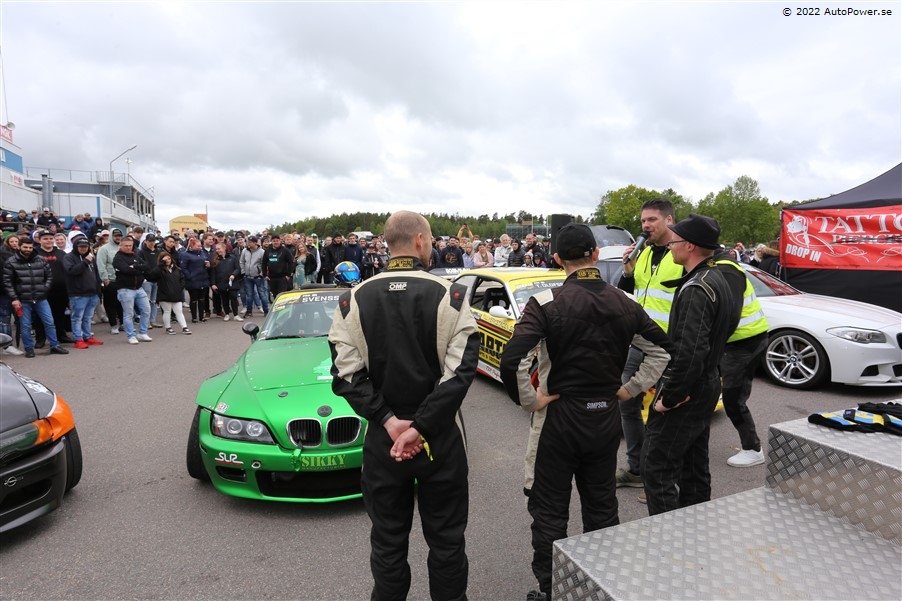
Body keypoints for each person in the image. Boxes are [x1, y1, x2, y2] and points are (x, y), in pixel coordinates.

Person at [499, 223, 672, 601]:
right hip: (604, 419)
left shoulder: (546, 301)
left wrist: (531, 401)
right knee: (602, 508)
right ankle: (600, 588)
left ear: (557, 259)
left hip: (558, 420)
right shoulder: (625, 301)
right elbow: (662, 350)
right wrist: (629, 389)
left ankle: (552, 591)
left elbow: (512, 359)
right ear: (595, 254)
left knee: (549, 511)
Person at [329, 210, 479, 601]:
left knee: (388, 540)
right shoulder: (452, 296)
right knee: (447, 541)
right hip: (440, 438)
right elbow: (460, 373)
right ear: (420, 241)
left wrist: (390, 421)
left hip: (384, 441)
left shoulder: (351, 300)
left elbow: (346, 375)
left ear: (386, 242)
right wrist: (420, 427)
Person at [640, 214, 742, 516]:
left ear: (691, 246)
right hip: (706, 382)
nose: (670, 246)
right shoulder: (717, 278)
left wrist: (670, 397)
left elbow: (690, 351)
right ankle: (695, 528)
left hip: (690, 389)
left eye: (675, 241)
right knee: (694, 465)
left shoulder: (698, 288)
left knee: (656, 466)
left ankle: (668, 536)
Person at [615, 198, 684, 500]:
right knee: (627, 400)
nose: (646, 226)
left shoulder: (681, 253)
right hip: (639, 341)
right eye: (643, 220)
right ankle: (637, 469)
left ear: (669, 220)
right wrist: (628, 271)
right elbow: (629, 293)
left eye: (652, 220)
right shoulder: (642, 252)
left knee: (664, 410)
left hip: (669, 344)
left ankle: (664, 479)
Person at [713, 249, 770, 467]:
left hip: (743, 343)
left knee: (733, 398)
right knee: (715, 390)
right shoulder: (718, 267)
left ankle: (753, 449)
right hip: (738, 342)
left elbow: (730, 314)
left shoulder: (726, 270)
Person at [2, 235, 70, 357]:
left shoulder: (40, 259)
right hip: (23, 300)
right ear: (19, 247)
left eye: (30, 247)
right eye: (25, 247)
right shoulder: (11, 262)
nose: (28, 249)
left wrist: (45, 289)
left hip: (41, 298)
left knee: (49, 322)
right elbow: (7, 282)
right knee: (25, 325)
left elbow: (49, 276)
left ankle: (55, 346)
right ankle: (29, 349)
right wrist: (14, 298)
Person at [62, 235, 103, 349]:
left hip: (92, 293)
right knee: (77, 318)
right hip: (77, 294)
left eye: (85, 246)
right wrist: (85, 262)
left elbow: (96, 274)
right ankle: (78, 339)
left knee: (88, 317)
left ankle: (87, 336)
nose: (83, 248)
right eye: (81, 246)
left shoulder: (90, 257)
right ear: (76, 246)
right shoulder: (69, 257)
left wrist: (98, 290)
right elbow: (72, 271)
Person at [113, 236, 154, 345]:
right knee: (129, 314)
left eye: (130, 246)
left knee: (146, 310)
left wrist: (135, 266)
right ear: (121, 245)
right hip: (125, 289)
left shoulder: (135, 255)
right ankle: (131, 335)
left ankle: (142, 332)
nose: (128, 247)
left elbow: (147, 266)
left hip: (139, 288)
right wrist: (139, 269)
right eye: (126, 245)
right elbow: (126, 270)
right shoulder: (118, 258)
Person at [152, 251, 191, 334]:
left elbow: (182, 279)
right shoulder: (159, 270)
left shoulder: (177, 269)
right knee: (167, 311)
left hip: (176, 293)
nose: (168, 261)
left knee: (179, 311)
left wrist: (179, 288)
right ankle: (168, 327)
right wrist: (161, 264)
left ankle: (184, 327)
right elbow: (153, 274)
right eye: (165, 259)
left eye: (169, 259)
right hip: (164, 294)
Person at [97, 228, 125, 334]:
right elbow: (101, 264)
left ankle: (123, 323)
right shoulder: (104, 249)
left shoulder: (123, 248)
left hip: (122, 281)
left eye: (119, 236)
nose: (118, 238)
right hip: (110, 280)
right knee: (110, 304)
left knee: (122, 304)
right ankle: (113, 325)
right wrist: (105, 278)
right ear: (111, 236)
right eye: (115, 236)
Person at [180, 237, 211, 324]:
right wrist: (189, 276)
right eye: (198, 246)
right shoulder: (185, 255)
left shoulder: (202, 253)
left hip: (203, 279)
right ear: (192, 246)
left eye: (200, 246)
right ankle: (194, 317)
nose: (200, 247)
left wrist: (208, 265)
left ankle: (201, 316)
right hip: (193, 280)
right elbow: (183, 267)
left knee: (202, 299)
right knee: (194, 299)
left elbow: (205, 262)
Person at [210, 243, 242, 322]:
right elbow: (213, 273)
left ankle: (236, 315)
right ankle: (227, 314)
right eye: (216, 249)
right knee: (224, 299)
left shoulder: (232, 257)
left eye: (219, 249)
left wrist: (233, 275)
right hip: (221, 282)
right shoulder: (215, 259)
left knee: (233, 297)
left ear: (224, 248)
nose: (217, 250)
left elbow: (238, 268)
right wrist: (213, 284)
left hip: (232, 282)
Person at [239, 235, 268, 317]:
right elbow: (241, 261)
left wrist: (261, 274)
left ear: (255, 243)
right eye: (248, 242)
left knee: (262, 294)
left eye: (250, 242)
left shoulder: (262, 252)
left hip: (258, 277)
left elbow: (264, 264)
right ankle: (249, 311)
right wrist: (243, 272)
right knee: (249, 295)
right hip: (247, 277)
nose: (248, 243)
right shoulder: (245, 250)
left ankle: (266, 311)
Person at [138, 234, 162, 327]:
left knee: (154, 301)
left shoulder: (158, 252)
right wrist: (143, 278)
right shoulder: (141, 252)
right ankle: (146, 322)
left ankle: (153, 320)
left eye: (153, 241)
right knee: (146, 302)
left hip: (156, 279)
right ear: (146, 241)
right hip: (147, 280)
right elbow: (140, 265)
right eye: (150, 241)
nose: (152, 243)